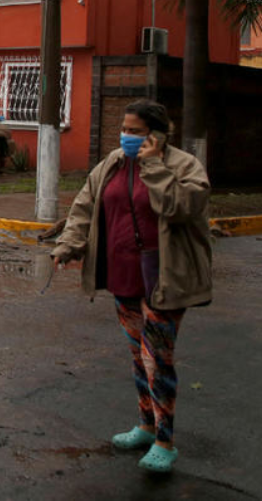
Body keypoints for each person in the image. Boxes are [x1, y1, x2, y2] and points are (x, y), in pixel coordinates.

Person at [51, 99, 211, 473]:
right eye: (125, 129)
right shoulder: (113, 164)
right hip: (122, 272)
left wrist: (153, 165)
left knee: (158, 359)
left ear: (157, 134)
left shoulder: (184, 166)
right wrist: (69, 245)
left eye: (136, 131)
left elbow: (180, 206)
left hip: (164, 275)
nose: (127, 137)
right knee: (138, 356)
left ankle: (165, 441)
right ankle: (145, 425)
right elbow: (85, 206)